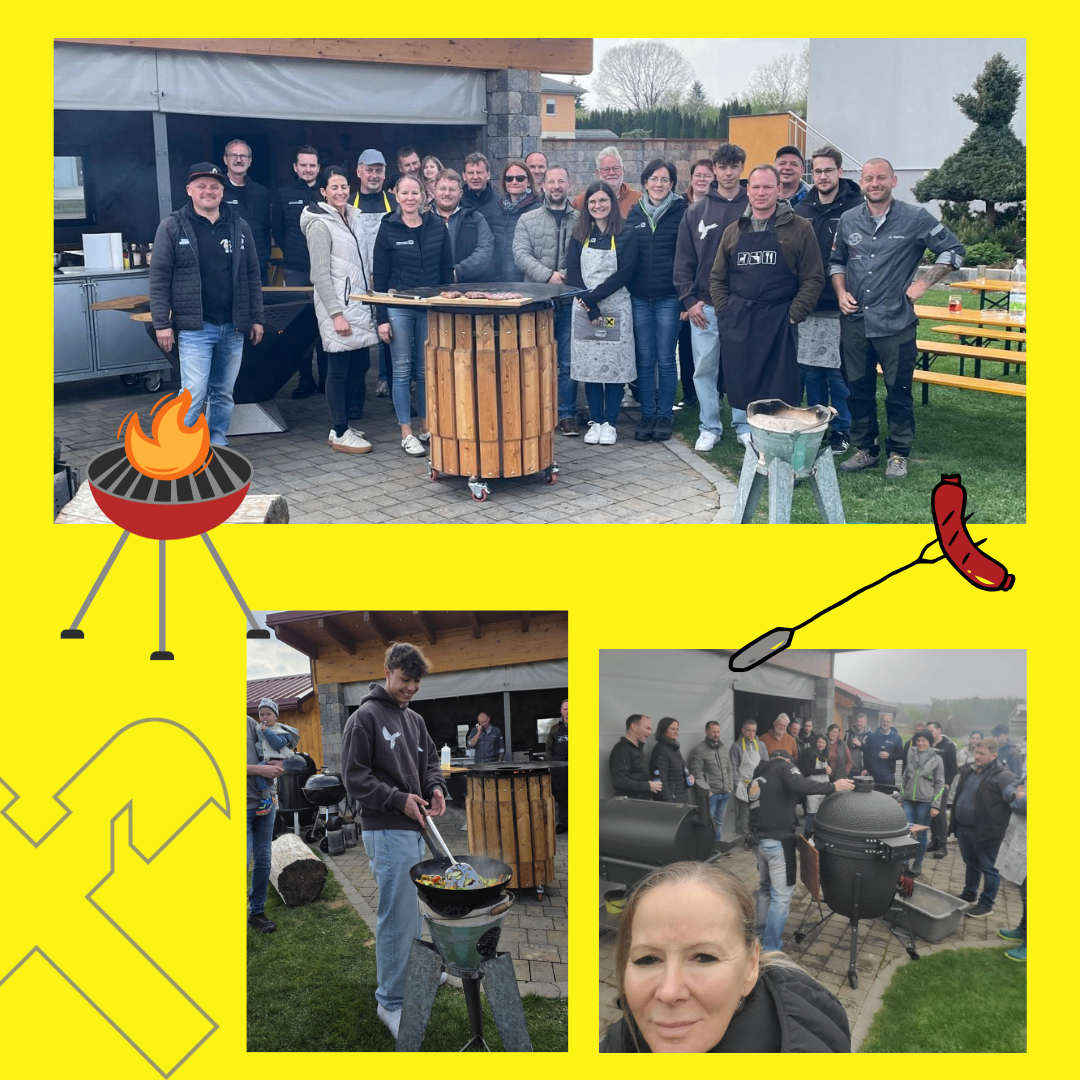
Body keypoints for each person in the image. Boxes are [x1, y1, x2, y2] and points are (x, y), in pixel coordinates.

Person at [600, 862, 851, 1052]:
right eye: (647, 959)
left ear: (750, 966)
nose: (669, 992)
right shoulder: (615, 1044)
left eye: (704, 957)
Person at [831, 157, 965, 479]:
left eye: (881, 177)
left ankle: (898, 453)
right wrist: (840, 291)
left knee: (898, 391)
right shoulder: (848, 220)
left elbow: (954, 250)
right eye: (868, 178)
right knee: (857, 389)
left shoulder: (915, 218)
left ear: (893, 181)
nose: (874, 183)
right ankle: (866, 449)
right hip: (855, 323)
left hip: (896, 323)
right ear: (861, 183)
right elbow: (836, 261)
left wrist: (923, 284)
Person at [340, 641, 448, 1039]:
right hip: (386, 829)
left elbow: (430, 760)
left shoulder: (415, 720)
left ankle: (413, 972)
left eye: (417, 681)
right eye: (405, 679)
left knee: (414, 910)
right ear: (387, 671)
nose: (411, 688)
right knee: (397, 915)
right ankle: (391, 1001)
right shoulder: (364, 718)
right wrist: (397, 798)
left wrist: (435, 786)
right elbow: (354, 778)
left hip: (416, 828)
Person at [149, 162, 264, 446]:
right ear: (189, 190)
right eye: (201, 186)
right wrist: (162, 323)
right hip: (195, 328)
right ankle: (176, 449)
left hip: (233, 326)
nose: (208, 191)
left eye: (214, 186)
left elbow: (252, 275)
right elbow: (159, 278)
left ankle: (216, 444)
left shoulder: (239, 227)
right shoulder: (172, 226)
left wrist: (256, 318)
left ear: (223, 192)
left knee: (222, 393)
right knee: (193, 393)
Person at [710, 164, 824, 448]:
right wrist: (725, 312)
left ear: (778, 190)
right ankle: (749, 435)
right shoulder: (733, 231)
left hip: (779, 323)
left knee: (781, 386)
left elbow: (813, 278)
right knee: (743, 382)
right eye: (756, 187)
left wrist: (794, 315)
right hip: (741, 320)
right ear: (748, 190)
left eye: (767, 187)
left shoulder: (799, 228)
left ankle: (781, 441)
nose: (761, 193)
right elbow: (717, 277)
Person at [300, 166, 380, 455]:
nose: (340, 192)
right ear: (323, 192)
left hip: (358, 304)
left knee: (361, 364)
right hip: (338, 307)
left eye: (344, 186)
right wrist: (336, 314)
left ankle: (342, 425)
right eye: (334, 187)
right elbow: (320, 275)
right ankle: (340, 428)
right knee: (338, 370)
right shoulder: (320, 224)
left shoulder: (352, 217)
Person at [674, 143, 748, 452]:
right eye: (723, 167)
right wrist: (689, 301)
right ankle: (709, 426)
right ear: (714, 169)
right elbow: (683, 261)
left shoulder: (753, 206)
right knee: (704, 368)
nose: (728, 173)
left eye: (734, 166)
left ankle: (744, 425)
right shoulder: (697, 211)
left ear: (742, 167)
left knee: (741, 366)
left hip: (743, 305)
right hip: (705, 306)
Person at [373, 174, 453, 456]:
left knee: (425, 369)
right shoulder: (388, 228)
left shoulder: (437, 226)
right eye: (404, 193)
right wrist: (381, 318)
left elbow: (446, 271)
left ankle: (426, 425)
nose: (410, 198)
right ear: (396, 196)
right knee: (402, 369)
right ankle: (405, 431)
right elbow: (379, 276)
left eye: (414, 193)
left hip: (429, 307)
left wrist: (446, 307)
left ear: (424, 195)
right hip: (399, 307)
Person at [750, 749, 855, 953]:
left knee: (765, 889)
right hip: (778, 842)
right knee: (781, 896)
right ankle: (770, 948)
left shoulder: (759, 775)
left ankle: (760, 937)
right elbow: (800, 785)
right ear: (787, 760)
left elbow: (786, 796)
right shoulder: (784, 766)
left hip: (759, 841)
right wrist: (833, 786)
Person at [794, 145, 863, 453]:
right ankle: (816, 426)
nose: (822, 176)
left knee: (838, 373)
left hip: (841, 305)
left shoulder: (856, 208)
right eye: (818, 171)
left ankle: (841, 429)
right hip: (809, 305)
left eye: (828, 170)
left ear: (840, 171)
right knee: (812, 371)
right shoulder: (802, 210)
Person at [566, 181, 639, 446]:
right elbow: (573, 271)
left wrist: (594, 298)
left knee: (614, 366)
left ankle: (610, 423)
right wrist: (590, 305)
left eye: (603, 200)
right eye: (593, 202)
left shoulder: (626, 233)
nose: (598, 206)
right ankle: (595, 421)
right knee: (591, 368)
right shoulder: (579, 234)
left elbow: (625, 272)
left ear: (612, 202)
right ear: (586, 206)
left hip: (616, 306)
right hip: (586, 308)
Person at [513, 164, 580, 434]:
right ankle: (536, 412)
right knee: (535, 358)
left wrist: (565, 276)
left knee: (567, 361)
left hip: (569, 300)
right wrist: (547, 276)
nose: (556, 186)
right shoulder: (527, 219)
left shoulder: (581, 220)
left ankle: (566, 413)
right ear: (543, 186)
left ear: (569, 185)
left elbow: (586, 252)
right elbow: (520, 254)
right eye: (551, 182)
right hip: (537, 302)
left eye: (561, 181)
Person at [625, 159, 686, 443]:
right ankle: (647, 414)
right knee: (645, 360)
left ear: (672, 184)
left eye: (664, 179)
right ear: (645, 182)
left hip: (669, 297)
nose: (658, 184)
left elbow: (687, 255)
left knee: (666, 359)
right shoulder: (635, 213)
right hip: (639, 297)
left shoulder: (682, 213)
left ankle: (664, 415)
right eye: (653, 178)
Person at [271, 144, 326, 397]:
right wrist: (293, 250)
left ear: (318, 167)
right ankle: (305, 379)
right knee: (300, 324)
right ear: (295, 167)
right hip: (296, 269)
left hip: (325, 268)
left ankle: (326, 378)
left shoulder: (326, 191)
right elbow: (278, 229)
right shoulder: (284, 194)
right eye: (303, 165)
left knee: (325, 322)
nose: (308, 169)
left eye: (312, 165)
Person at [949, 738, 1017, 917]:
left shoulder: (1003, 776)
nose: (977, 756)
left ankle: (986, 904)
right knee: (971, 863)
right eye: (976, 752)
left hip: (986, 832)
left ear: (994, 756)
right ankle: (969, 894)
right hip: (964, 828)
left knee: (989, 868)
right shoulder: (970, 770)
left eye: (982, 754)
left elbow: (1012, 803)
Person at [351, 149, 398, 401]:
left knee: (390, 337)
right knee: (358, 340)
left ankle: (392, 390)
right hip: (357, 282)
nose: (374, 175)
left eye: (379, 170)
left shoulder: (395, 203)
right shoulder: (348, 204)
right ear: (359, 171)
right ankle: (356, 399)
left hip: (387, 282)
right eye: (369, 170)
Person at [673, 158, 715, 412]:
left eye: (707, 175)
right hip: (686, 291)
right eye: (698, 175)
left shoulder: (720, 207)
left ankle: (716, 395)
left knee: (711, 352)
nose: (702, 179)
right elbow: (680, 254)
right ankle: (690, 394)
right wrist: (685, 298)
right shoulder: (681, 207)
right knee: (687, 346)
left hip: (709, 293)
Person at [247, 712, 284, 933]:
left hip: (265, 804)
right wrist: (261, 769)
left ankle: (257, 912)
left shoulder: (250, 723)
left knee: (263, 859)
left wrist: (279, 760)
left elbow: (273, 744)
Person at [431, 168, 494, 284]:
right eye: (442, 189)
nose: (447, 193)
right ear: (434, 191)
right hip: (432, 285)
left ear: (460, 194)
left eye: (452, 190)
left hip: (469, 287)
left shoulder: (475, 218)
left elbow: (485, 250)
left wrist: (458, 272)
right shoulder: (423, 219)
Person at [221, 138, 271, 280]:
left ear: (250, 161)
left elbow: (266, 228)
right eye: (233, 155)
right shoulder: (218, 191)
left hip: (258, 264)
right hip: (227, 265)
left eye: (243, 156)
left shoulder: (261, 192)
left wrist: (266, 256)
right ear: (225, 159)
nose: (239, 160)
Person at [899, 731, 945, 877]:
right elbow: (905, 777)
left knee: (922, 835)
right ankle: (904, 863)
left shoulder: (936, 759)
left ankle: (917, 863)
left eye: (924, 740)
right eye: (918, 740)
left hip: (925, 802)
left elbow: (940, 783)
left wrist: (935, 805)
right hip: (908, 801)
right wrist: (901, 797)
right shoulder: (911, 754)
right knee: (905, 832)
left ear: (929, 742)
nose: (920, 743)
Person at [689, 721, 734, 850]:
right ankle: (708, 849)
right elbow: (697, 772)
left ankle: (716, 847)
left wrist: (729, 787)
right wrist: (706, 791)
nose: (716, 734)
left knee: (719, 822)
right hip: (711, 795)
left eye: (718, 732)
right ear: (706, 732)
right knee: (708, 823)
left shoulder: (723, 749)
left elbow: (729, 768)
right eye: (713, 731)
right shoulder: (699, 750)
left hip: (725, 793)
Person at [495, 159, 542, 281]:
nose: (514, 182)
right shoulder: (497, 209)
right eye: (509, 178)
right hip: (499, 278)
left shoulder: (538, 209)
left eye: (520, 178)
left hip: (527, 277)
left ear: (528, 181)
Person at [252, 697, 300, 815]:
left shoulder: (280, 730)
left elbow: (277, 744)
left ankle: (266, 797)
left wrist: (267, 732)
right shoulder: (258, 728)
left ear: (276, 716)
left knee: (258, 774)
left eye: (269, 714)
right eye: (261, 714)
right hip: (263, 757)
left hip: (272, 759)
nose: (265, 717)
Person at [997, 774, 1026, 962]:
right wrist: (1018, 794)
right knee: (1025, 893)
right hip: (1022, 841)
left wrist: (1019, 798)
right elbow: (1007, 791)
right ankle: (1023, 929)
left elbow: (1023, 806)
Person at [571, 146, 642, 219]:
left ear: (622, 170)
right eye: (606, 169)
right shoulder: (581, 201)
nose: (612, 173)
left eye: (616, 168)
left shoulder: (638, 199)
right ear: (598, 173)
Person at [924, 720, 958, 858]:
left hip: (941, 786)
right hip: (927, 786)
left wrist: (947, 783)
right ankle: (935, 841)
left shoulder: (949, 746)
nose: (929, 733)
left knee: (941, 815)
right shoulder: (927, 745)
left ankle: (943, 845)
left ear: (939, 730)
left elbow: (953, 767)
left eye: (931, 731)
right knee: (931, 813)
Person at [610, 714, 663, 798]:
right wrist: (648, 786)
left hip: (642, 802)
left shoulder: (638, 749)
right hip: (632, 804)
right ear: (634, 727)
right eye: (647, 728)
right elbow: (619, 782)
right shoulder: (622, 749)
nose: (650, 733)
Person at [730, 720, 766, 840]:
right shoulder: (736, 747)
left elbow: (766, 764)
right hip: (743, 785)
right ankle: (748, 837)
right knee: (745, 814)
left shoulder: (761, 745)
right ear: (743, 730)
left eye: (754, 731)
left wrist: (765, 781)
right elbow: (733, 766)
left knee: (759, 812)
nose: (751, 733)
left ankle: (758, 835)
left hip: (758, 784)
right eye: (749, 730)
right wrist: (737, 783)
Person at [650, 717, 694, 804]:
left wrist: (688, 777)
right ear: (663, 730)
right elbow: (661, 780)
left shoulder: (674, 748)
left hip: (681, 799)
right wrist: (670, 804)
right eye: (672, 729)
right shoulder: (660, 750)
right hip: (672, 802)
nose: (676, 732)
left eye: (677, 729)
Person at [800, 734, 832, 840]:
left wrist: (829, 770)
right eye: (819, 742)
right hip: (812, 786)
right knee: (811, 812)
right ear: (815, 742)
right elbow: (807, 770)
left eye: (823, 743)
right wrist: (823, 770)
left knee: (822, 812)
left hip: (824, 786)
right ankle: (808, 834)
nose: (821, 745)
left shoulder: (825, 754)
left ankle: (819, 833)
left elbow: (827, 769)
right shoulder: (809, 752)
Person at [545, 699, 568, 832]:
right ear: (561, 711)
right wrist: (551, 763)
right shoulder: (555, 729)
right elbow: (549, 748)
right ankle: (564, 823)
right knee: (562, 796)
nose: (568, 712)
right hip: (560, 768)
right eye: (565, 709)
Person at [863, 712, 904, 786]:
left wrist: (889, 756)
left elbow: (901, 755)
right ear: (880, 722)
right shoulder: (872, 736)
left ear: (891, 724)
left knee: (887, 794)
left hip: (888, 776)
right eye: (883, 721)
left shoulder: (896, 738)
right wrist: (865, 768)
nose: (885, 723)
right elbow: (866, 754)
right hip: (873, 775)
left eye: (888, 722)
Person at [844, 711, 871, 776]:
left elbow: (871, 751)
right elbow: (843, 749)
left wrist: (860, 745)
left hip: (862, 770)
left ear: (865, 723)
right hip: (849, 769)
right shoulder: (849, 734)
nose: (859, 723)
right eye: (858, 721)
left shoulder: (870, 735)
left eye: (861, 722)